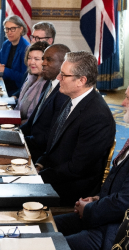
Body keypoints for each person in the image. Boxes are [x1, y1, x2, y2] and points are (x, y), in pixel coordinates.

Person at [36, 51, 116, 206]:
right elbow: (54, 145)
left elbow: (77, 168)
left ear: (81, 80)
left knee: (10, 197)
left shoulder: (97, 116)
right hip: (57, 174)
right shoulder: (72, 99)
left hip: (73, 188)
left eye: (63, 75)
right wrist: (40, 164)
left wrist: (38, 178)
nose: (58, 78)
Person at [54, 86, 129, 250]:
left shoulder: (97, 115)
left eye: (128, 99)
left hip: (114, 232)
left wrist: (89, 209)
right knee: (46, 226)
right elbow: (119, 188)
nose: (123, 103)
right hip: (102, 215)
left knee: (49, 244)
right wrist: (96, 199)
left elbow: (123, 202)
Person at [20, 44, 70, 163]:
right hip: (31, 143)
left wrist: (21, 141)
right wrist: (15, 134)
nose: (43, 63)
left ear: (64, 63)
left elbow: (51, 136)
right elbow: (32, 122)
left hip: (40, 154)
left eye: (49, 60)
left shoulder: (64, 93)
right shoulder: (49, 83)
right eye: (43, 59)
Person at [0, 15, 30, 98]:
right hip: (2, 84)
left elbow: (24, 78)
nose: (9, 32)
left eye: (13, 29)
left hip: (16, 90)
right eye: (7, 29)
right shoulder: (6, 44)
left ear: (21, 29)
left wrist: (5, 70)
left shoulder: (26, 48)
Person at [14, 41, 49, 124]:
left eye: (36, 59)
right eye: (29, 58)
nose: (31, 62)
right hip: (18, 121)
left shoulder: (47, 83)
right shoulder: (30, 76)